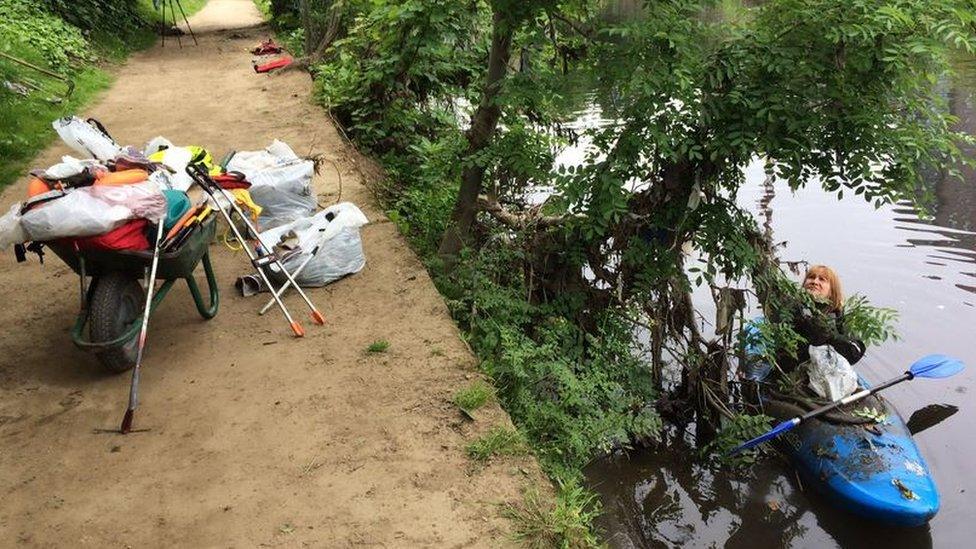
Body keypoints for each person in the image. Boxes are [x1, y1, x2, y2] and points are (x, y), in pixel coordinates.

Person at [743, 265, 866, 382]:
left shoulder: (840, 318)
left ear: (832, 291)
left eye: (822, 279)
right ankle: (756, 380)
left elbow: (856, 350)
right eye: (811, 277)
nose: (815, 282)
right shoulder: (791, 308)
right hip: (790, 369)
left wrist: (829, 338)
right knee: (758, 324)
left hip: (823, 371)